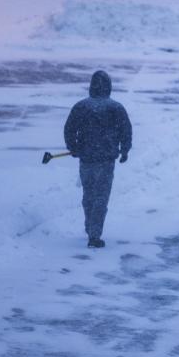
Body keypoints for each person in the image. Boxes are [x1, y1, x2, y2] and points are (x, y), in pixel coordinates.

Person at [63, 70, 132, 248]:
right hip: (106, 160)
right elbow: (126, 131)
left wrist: (73, 148)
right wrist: (125, 151)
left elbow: (69, 129)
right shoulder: (116, 108)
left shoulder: (81, 107)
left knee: (89, 195)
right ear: (109, 87)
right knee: (101, 196)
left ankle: (90, 227)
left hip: (86, 159)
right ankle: (94, 234)